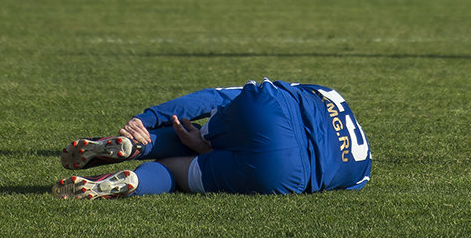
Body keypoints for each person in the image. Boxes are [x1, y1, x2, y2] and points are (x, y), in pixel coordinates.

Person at [52, 78, 371, 199]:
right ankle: (134, 180)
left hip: (269, 111)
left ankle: (139, 142)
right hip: (287, 171)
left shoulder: (327, 94)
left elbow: (213, 98)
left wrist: (144, 119)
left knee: (202, 127)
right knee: (177, 173)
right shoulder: (363, 169)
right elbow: (349, 180)